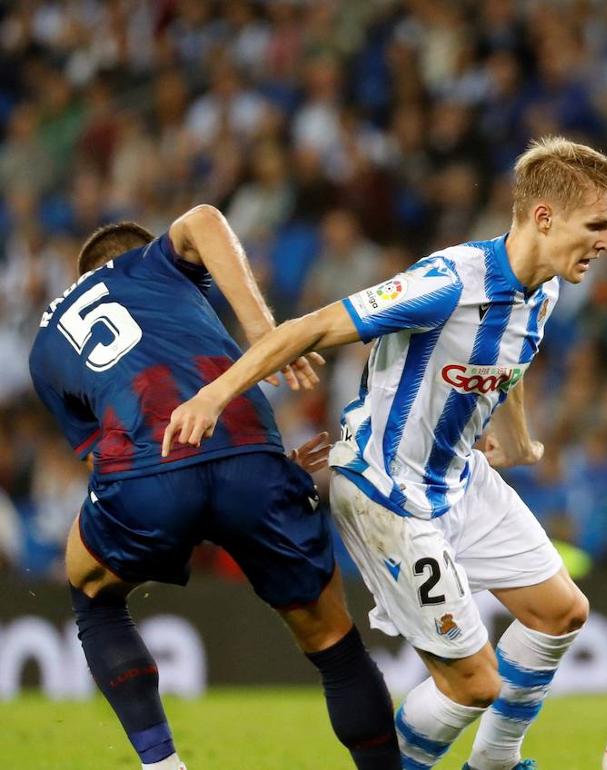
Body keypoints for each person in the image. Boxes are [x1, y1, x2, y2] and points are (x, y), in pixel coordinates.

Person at [162, 136, 607, 770]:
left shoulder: (544, 290)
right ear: (544, 218)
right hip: (388, 494)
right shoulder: (447, 282)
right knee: (475, 684)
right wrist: (212, 398)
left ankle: (494, 764)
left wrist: (514, 437)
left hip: (462, 479)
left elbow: (507, 363)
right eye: (596, 226)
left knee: (562, 612)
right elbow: (311, 328)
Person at [27, 206, 400, 770]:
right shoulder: (155, 266)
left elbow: (102, 459)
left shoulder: (43, 349)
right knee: (335, 646)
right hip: (251, 457)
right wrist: (263, 335)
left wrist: (179, 506)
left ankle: (162, 764)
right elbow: (203, 218)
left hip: (146, 475)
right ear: (138, 256)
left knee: (92, 593)